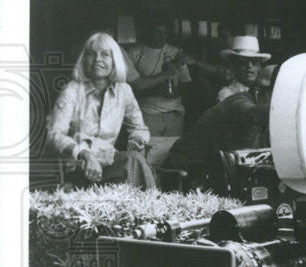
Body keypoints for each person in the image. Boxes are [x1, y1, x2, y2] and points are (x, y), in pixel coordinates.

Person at [48, 32, 149, 186]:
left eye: (105, 55)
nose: (98, 60)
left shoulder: (124, 91)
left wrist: (138, 139)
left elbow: (139, 128)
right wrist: (85, 154)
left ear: (114, 60)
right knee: (134, 164)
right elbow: (54, 135)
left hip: (108, 163)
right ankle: (148, 205)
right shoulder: (72, 90)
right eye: (91, 54)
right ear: (84, 60)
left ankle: (141, 206)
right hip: (78, 167)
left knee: (134, 160)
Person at [164, 64, 275, 190]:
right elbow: (254, 114)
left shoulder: (258, 107)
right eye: (279, 94)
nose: (282, 99)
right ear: (258, 91)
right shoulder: (238, 103)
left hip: (212, 173)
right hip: (186, 173)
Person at [126, 12, 191, 136]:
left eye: (165, 33)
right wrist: (155, 89)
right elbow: (130, 88)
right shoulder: (134, 53)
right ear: (149, 31)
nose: (162, 37)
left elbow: (186, 83)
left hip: (174, 114)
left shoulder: (177, 52)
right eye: (158, 32)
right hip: (147, 114)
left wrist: (177, 92)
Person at [216, 36, 271, 103]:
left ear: (259, 67)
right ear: (234, 65)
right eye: (243, 61)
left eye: (254, 61)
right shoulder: (226, 94)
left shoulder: (264, 93)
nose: (249, 65)